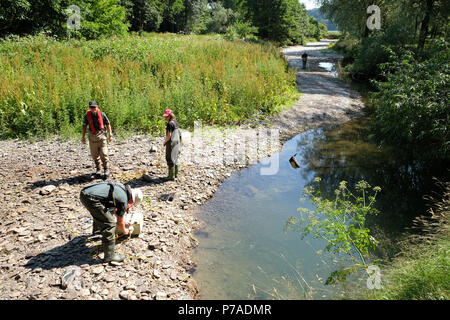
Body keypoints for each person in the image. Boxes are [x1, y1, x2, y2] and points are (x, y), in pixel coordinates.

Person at [80, 181, 143, 263]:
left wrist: (124, 221)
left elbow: (115, 210)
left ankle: (97, 231)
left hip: (85, 192)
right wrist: (125, 231)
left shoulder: (121, 188)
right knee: (110, 224)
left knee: (102, 214)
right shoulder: (123, 200)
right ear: (131, 201)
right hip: (91, 198)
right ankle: (109, 256)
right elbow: (119, 222)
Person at [81, 101, 113, 179]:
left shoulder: (102, 114)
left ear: (97, 107)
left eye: (94, 107)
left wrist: (110, 135)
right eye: (91, 107)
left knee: (104, 153)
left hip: (102, 135)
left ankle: (106, 169)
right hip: (92, 136)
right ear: (89, 108)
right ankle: (98, 169)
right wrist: (83, 137)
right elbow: (84, 126)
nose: (93, 109)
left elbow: (108, 124)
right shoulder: (87, 116)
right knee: (94, 155)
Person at [162, 109, 182, 181]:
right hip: (177, 142)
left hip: (171, 142)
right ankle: (175, 174)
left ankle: (171, 176)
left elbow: (169, 135)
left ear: (169, 116)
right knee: (175, 157)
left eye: (166, 116)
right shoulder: (175, 122)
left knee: (169, 158)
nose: (165, 118)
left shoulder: (169, 124)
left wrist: (164, 142)